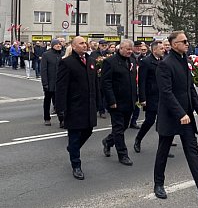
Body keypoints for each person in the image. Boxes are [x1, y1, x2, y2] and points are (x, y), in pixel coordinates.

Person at [153, 30, 198, 200]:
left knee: (192, 150)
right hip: (171, 115)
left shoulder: (183, 59)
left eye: (187, 41)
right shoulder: (166, 64)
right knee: (163, 151)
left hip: (186, 115)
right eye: (183, 41)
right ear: (174, 44)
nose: (187, 43)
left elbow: (189, 87)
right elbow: (166, 92)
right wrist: (180, 113)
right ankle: (158, 184)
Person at [55, 36, 99, 180]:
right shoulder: (67, 63)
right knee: (74, 136)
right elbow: (61, 87)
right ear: (73, 46)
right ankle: (76, 165)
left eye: (85, 43)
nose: (84, 45)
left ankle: (72, 150)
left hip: (89, 105)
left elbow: (94, 84)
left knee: (88, 131)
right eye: (81, 43)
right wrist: (60, 108)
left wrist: (99, 103)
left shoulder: (91, 61)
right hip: (74, 106)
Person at [101, 39, 140, 166]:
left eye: (131, 49)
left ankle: (108, 141)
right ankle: (123, 154)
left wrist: (136, 98)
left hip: (129, 101)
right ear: (120, 48)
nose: (130, 51)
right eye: (127, 49)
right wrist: (111, 101)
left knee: (124, 126)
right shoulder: (110, 62)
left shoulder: (133, 61)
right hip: (116, 102)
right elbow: (106, 83)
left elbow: (133, 81)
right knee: (118, 128)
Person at [134, 41, 165, 153]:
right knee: (149, 121)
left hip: (163, 96)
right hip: (151, 96)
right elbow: (142, 82)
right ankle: (138, 139)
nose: (163, 50)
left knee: (163, 122)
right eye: (161, 48)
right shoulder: (146, 62)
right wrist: (142, 99)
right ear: (154, 50)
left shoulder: (164, 60)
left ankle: (164, 148)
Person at [41, 39, 64, 126]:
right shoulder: (46, 55)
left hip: (60, 83)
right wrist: (45, 83)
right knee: (47, 101)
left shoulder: (62, 54)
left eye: (59, 44)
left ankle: (61, 120)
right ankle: (47, 118)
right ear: (52, 45)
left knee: (59, 102)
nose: (58, 46)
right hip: (50, 82)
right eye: (56, 44)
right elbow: (43, 70)